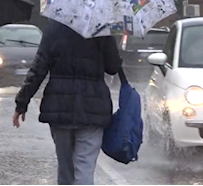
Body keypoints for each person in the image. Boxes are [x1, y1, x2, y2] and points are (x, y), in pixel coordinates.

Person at [13, 20, 122, 185]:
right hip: (92, 107)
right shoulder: (101, 28)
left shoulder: (54, 29)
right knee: (85, 166)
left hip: (59, 106)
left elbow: (39, 68)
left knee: (65, 168)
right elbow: (113, 67)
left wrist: (22, 102)